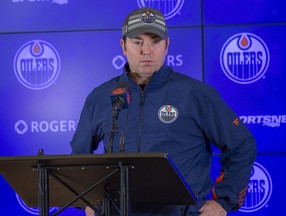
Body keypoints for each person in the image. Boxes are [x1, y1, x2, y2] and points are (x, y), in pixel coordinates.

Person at [70, 7, 257, 216]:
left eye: (155, 41)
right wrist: (88, 202)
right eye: (137, 42)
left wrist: (223, 201)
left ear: (166, 45)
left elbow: (242, 144)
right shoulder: (100, 97)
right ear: (123, 46)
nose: (146, 50)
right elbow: (78, 158)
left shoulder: (195, 94)